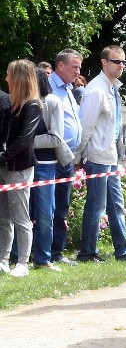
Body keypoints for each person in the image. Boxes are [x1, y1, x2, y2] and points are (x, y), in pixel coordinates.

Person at [75, 45, 126, 264]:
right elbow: (85, 127)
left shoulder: (112, 88)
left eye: (123, 62)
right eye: (116, 61)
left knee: (116, 204)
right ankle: (87, 252)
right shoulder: (96, 90)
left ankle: (123, 251)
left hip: (109, 156)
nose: (121, 66)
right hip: (97, 156)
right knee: (96, 206)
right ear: (104, 62)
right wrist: (78, 157)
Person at [0, 60, 42, 277]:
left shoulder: (32, 105)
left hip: (19, 167)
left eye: (9, 75)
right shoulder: (11, 103)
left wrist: (3, 157)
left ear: (18, 78)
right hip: (6, 166)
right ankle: (3, 259)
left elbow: (25, 139)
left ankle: (23, 263)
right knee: (3, 216)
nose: (6, 79)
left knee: (21, 216)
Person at [30, 68, 75, 271]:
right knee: (21, 215)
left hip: (46, 166)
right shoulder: (19, 101)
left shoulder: (51, 102)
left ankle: (44, 257)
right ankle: (18, 256)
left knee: (46, 214)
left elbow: (56, 138)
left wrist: (26, 142)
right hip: (22, 166)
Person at [48, 48, 83, 266]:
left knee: (61, 206)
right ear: (61, 66)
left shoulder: (69, 89)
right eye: (74, 67)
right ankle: (43, 252)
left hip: (67, 158)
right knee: (46, 208)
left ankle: (57, 252)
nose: (78, 71)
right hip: (51, 157)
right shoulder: (48, 87)